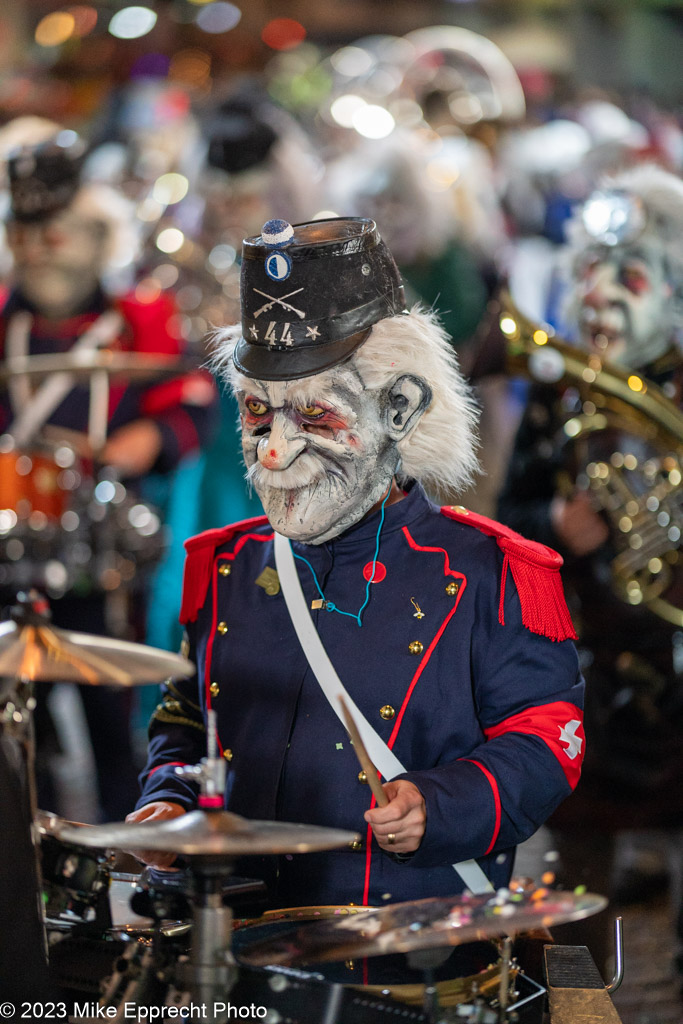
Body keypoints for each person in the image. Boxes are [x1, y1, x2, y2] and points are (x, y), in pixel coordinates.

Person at [130, 216, 584, 913]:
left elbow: (547, 736)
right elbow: (188, 717)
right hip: (236, 948)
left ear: (398, 410)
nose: (273, 452)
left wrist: (439, 805)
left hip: (407, 956)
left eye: (313, 417)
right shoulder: (226, 567)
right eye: (257, 414)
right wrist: (168, 797)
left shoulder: (491, 572)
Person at [0, 131, 217, 821]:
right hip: (12, 548)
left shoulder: (139, 319)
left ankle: (124, 845)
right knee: (18, 718)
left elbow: (191, 408)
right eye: (22, 233)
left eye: (52, 233)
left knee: (109, 712)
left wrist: (149, 436)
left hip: (102, 547)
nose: (37, 250)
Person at [496, 165, 683, 965]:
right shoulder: (556, 388)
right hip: (589, 663)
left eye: (627, 278)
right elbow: (510, 510)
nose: (601, 296)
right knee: (577, 879)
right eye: (587, 275)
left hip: (674, 659)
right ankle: (576, 999)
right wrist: (551, 523)